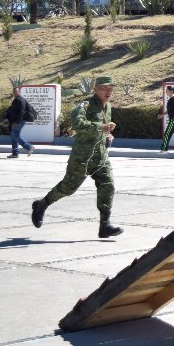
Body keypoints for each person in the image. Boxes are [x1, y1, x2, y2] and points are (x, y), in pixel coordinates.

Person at [30, 75, 121, 238]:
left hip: (100, 156)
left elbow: (103, 128)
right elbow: (77, 123)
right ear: (95, 89)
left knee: (108, 184)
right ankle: (41, 205)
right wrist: (101, 127)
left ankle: (105, 225)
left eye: (110, 89)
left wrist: (107, 135)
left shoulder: (107, 107)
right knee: (68, 188)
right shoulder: (86, 105)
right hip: (82, 157)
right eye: (104, 88)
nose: (108, 92)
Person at [4, 86, 36, 158]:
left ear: (19, 92)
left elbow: (21, 112)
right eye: (14, 92)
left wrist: (16, 122)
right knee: (14, 135)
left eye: (16, 91)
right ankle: (15, 153)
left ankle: (29, 147)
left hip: (19, 121)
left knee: (15, 135)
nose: (15, 93)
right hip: (16, 121)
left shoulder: (20, 100)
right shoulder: (16, 100)